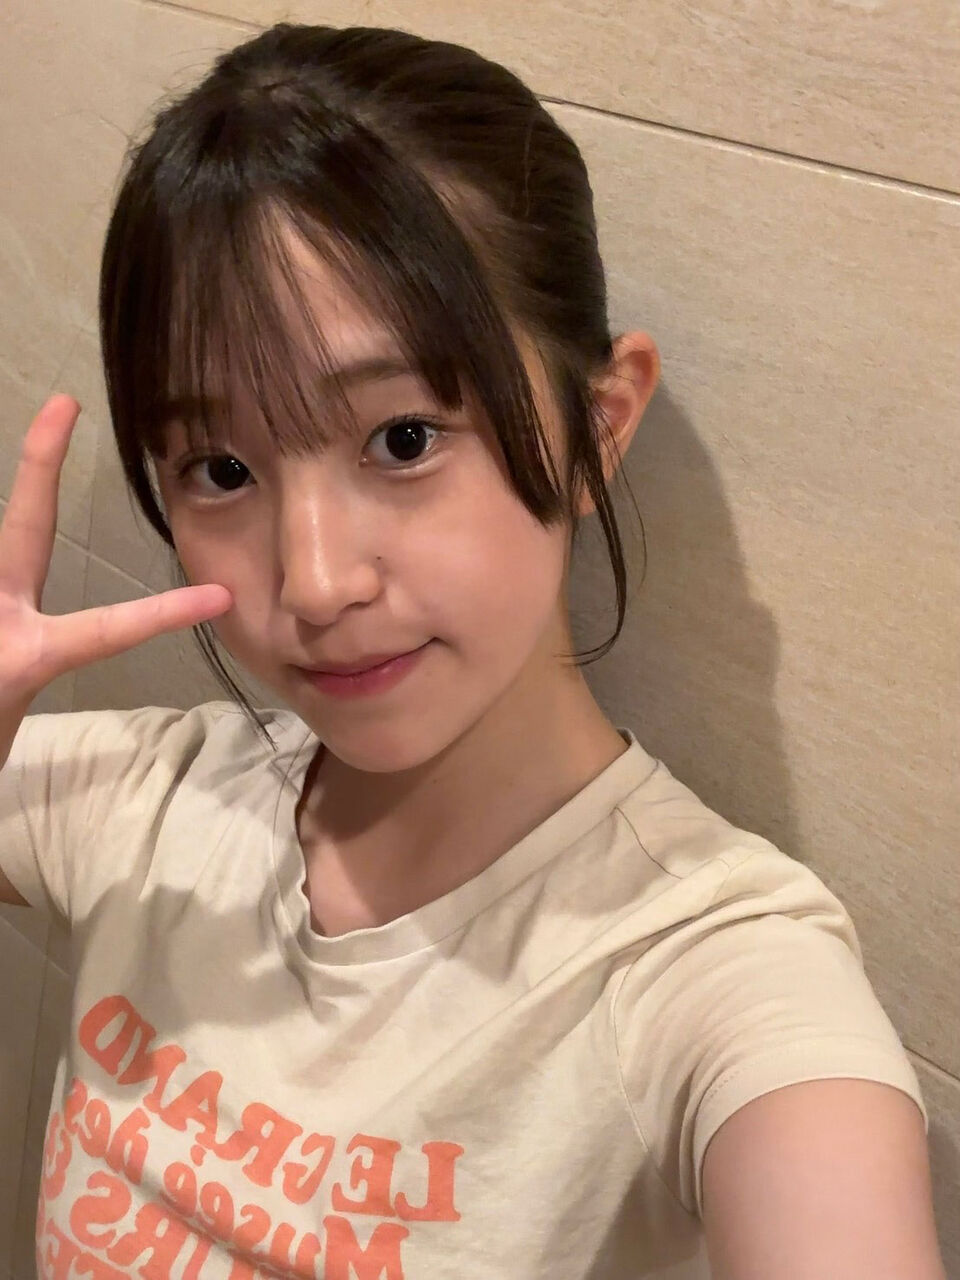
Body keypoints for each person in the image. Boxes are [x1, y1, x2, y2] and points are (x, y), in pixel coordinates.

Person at [0, 21, 946, 1280]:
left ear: (596, 424)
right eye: (221, 469)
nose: (316, 580)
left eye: (402, 439)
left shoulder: (705, 966)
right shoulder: (152, 802)